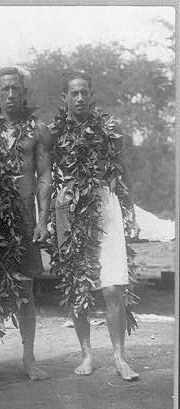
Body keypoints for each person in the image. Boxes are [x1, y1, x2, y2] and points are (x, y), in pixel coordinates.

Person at [51, 71, 140, 381]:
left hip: (106, 203)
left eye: (84, 93)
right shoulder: (53, 134)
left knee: (113, 287)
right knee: (78, 286)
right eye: (73, 93)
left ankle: (119, 357)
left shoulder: (107, 131)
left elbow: (123, 171)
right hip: (70, 204)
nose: (79, 98)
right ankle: (87, 354)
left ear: (90, 95)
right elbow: (45, 177)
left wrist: (130, 213)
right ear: (64, 97)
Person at [0, 67, 52, 381]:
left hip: (23, 217)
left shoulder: (39, 130)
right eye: (4, 89)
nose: (10, 95)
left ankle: (29, 358)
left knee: (25, 288)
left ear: (24, 92)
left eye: (15, 89)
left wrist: (43, 220)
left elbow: (45, 177)